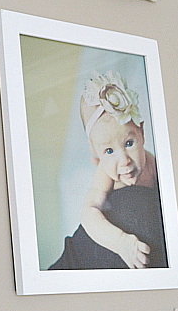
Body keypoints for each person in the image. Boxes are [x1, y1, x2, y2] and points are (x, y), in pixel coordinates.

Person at [48, 71, 167, 271]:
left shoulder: (153, 164)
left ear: (142, 133)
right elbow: (89, 214)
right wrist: (121, 242)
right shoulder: (104, 174)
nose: (124, 160)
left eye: (129, 143)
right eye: (109, 151)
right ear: (95, 152)